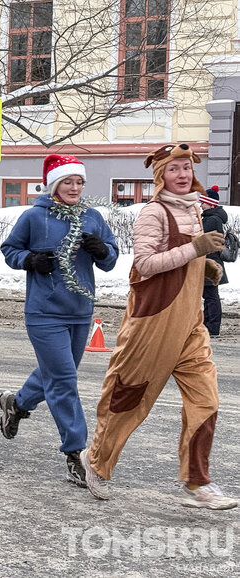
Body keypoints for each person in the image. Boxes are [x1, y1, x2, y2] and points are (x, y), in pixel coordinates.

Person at [81, 143, 237, 510]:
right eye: (173, 169)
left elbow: (185, 258)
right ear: (160, 176)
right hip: (152, 324)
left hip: (190, 325)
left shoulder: (195, 209)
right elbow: (146, 265)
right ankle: (97, 462)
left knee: (206, 402)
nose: (182, 174)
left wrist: (205, 268)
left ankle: (197, 482)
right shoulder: (153, 213)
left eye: (186, 167)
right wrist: (196, 251)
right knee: (128, 398)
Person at [0, 154, 118, 486]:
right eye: (68, 182)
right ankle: (77, 453)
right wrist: (31, 260)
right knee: (64, 380)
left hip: (80, 312)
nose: (75, 188)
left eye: (79, 182)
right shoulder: (34, 217)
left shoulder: (92, 217)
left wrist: (101, 251)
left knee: (55, 374)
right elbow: (9, 250)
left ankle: (16, 403)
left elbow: (111, 257)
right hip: (43, 313)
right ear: (54, 185)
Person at [199, 185, 228, 337]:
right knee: (209, 295)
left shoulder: (212, 220)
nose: (201, 205)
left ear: (210, 203)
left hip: (210, 263)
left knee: (211, 296)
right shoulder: (212, 218)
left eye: (203, 202)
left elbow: (202, 240)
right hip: (210, 263)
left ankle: (213, 327)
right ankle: (208, 325)